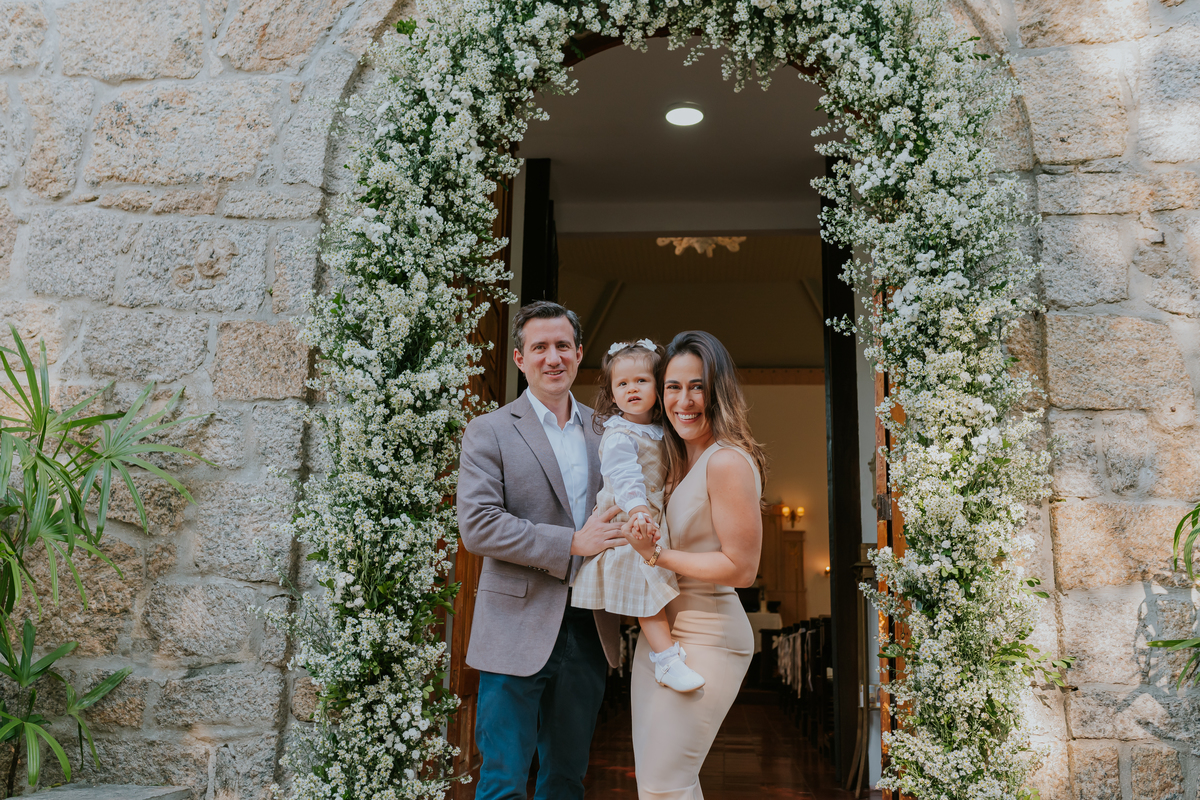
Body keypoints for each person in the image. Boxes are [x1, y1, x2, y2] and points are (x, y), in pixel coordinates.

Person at [456, 301, 627, 800]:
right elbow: (479, 527)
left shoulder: (608, 431)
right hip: (514, 628)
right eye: (539, 348)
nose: (552, 358)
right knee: (502, 782)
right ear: (519, 358)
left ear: (578, 354)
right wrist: (573, 542)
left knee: (566, 781)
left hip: (590, 624)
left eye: (562, 346)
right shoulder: (489, 430)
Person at [620, 330, 767, 800]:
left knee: (667, 784)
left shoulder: (726, 462)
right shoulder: (676, 458)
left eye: (697, 386)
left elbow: (741, 569)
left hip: (709, 633)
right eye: (673, 387)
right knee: (658, 785)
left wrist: (657, 555)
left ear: (718, 391)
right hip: (661, 639)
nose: (684, 401)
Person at [570, 338, 705, 692]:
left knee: (657, 590)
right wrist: (640, 512)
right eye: (622, 384)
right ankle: (666, 660)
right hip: (629, 524)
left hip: (651, 522)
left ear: (658, 388)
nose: (632, 389)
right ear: (612, 394)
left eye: (642, 381)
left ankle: (668, 655)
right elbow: (627, 479)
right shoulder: (619, 434)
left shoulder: (662, 431)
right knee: (647, 596)